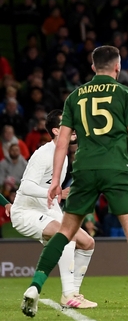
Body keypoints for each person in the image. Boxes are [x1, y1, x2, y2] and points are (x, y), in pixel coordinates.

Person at [21, 46, 128, 318]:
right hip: (116, 169)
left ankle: (35, 287)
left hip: (85, 169)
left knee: (65, 232)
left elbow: (62, 142)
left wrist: (55, 180)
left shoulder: (75, 97)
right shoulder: (126, 94)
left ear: (92, 68)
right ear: (117, 67)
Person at [11, 110, 96, 309]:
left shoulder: (62, 156)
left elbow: (52, 192)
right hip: (25, 212)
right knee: (66, 235)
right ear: (56, 131)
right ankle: (68, 295)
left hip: (46, 210)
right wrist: (56, 193)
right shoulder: (44, 154)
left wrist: (61, 213)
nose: (74, 128)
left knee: (87, 243)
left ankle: (74, 293)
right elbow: (26, 187)